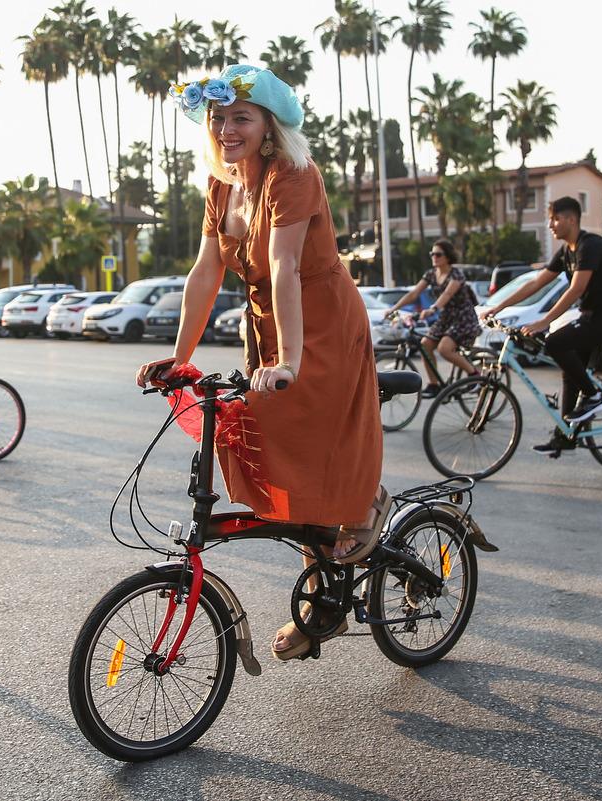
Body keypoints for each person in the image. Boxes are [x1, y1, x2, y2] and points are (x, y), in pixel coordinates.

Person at [134, 64, 386, 661]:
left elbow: (285, 267)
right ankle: (323, 602)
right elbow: (204, 272)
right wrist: (179, 356)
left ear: (269, 126)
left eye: (240, 117)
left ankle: (364, 503)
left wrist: (291, 360)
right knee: (262, 445)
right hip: (271, 327)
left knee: (294, 437)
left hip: (319, 323)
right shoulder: (223, 185)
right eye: (218, 117)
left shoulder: (292, 174)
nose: (226, 128)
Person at [483, 196, 602, 454]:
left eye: (555, 218)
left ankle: (593, 396)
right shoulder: (566, 251)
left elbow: (577, 289)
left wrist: (544, 321)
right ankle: (566, 435)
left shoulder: (590, 246)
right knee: (570, 372)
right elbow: (535, 283)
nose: (550, 224)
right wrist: (498, 307)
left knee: (555, 342)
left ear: (571, 219)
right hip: (591, 317)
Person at [384, 238, 482, 397]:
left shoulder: (456, 274)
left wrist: (433, 308)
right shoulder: (430, 274)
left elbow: (448, 293)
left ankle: (474, 376)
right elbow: (414, 293)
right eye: (432, 254)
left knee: (444, 348)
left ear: (448, 257)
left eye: (438, 254)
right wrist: (394, 308)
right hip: (446, 317)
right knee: (425, 345)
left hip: (463, 317)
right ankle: (434, 385)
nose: (434, 257)